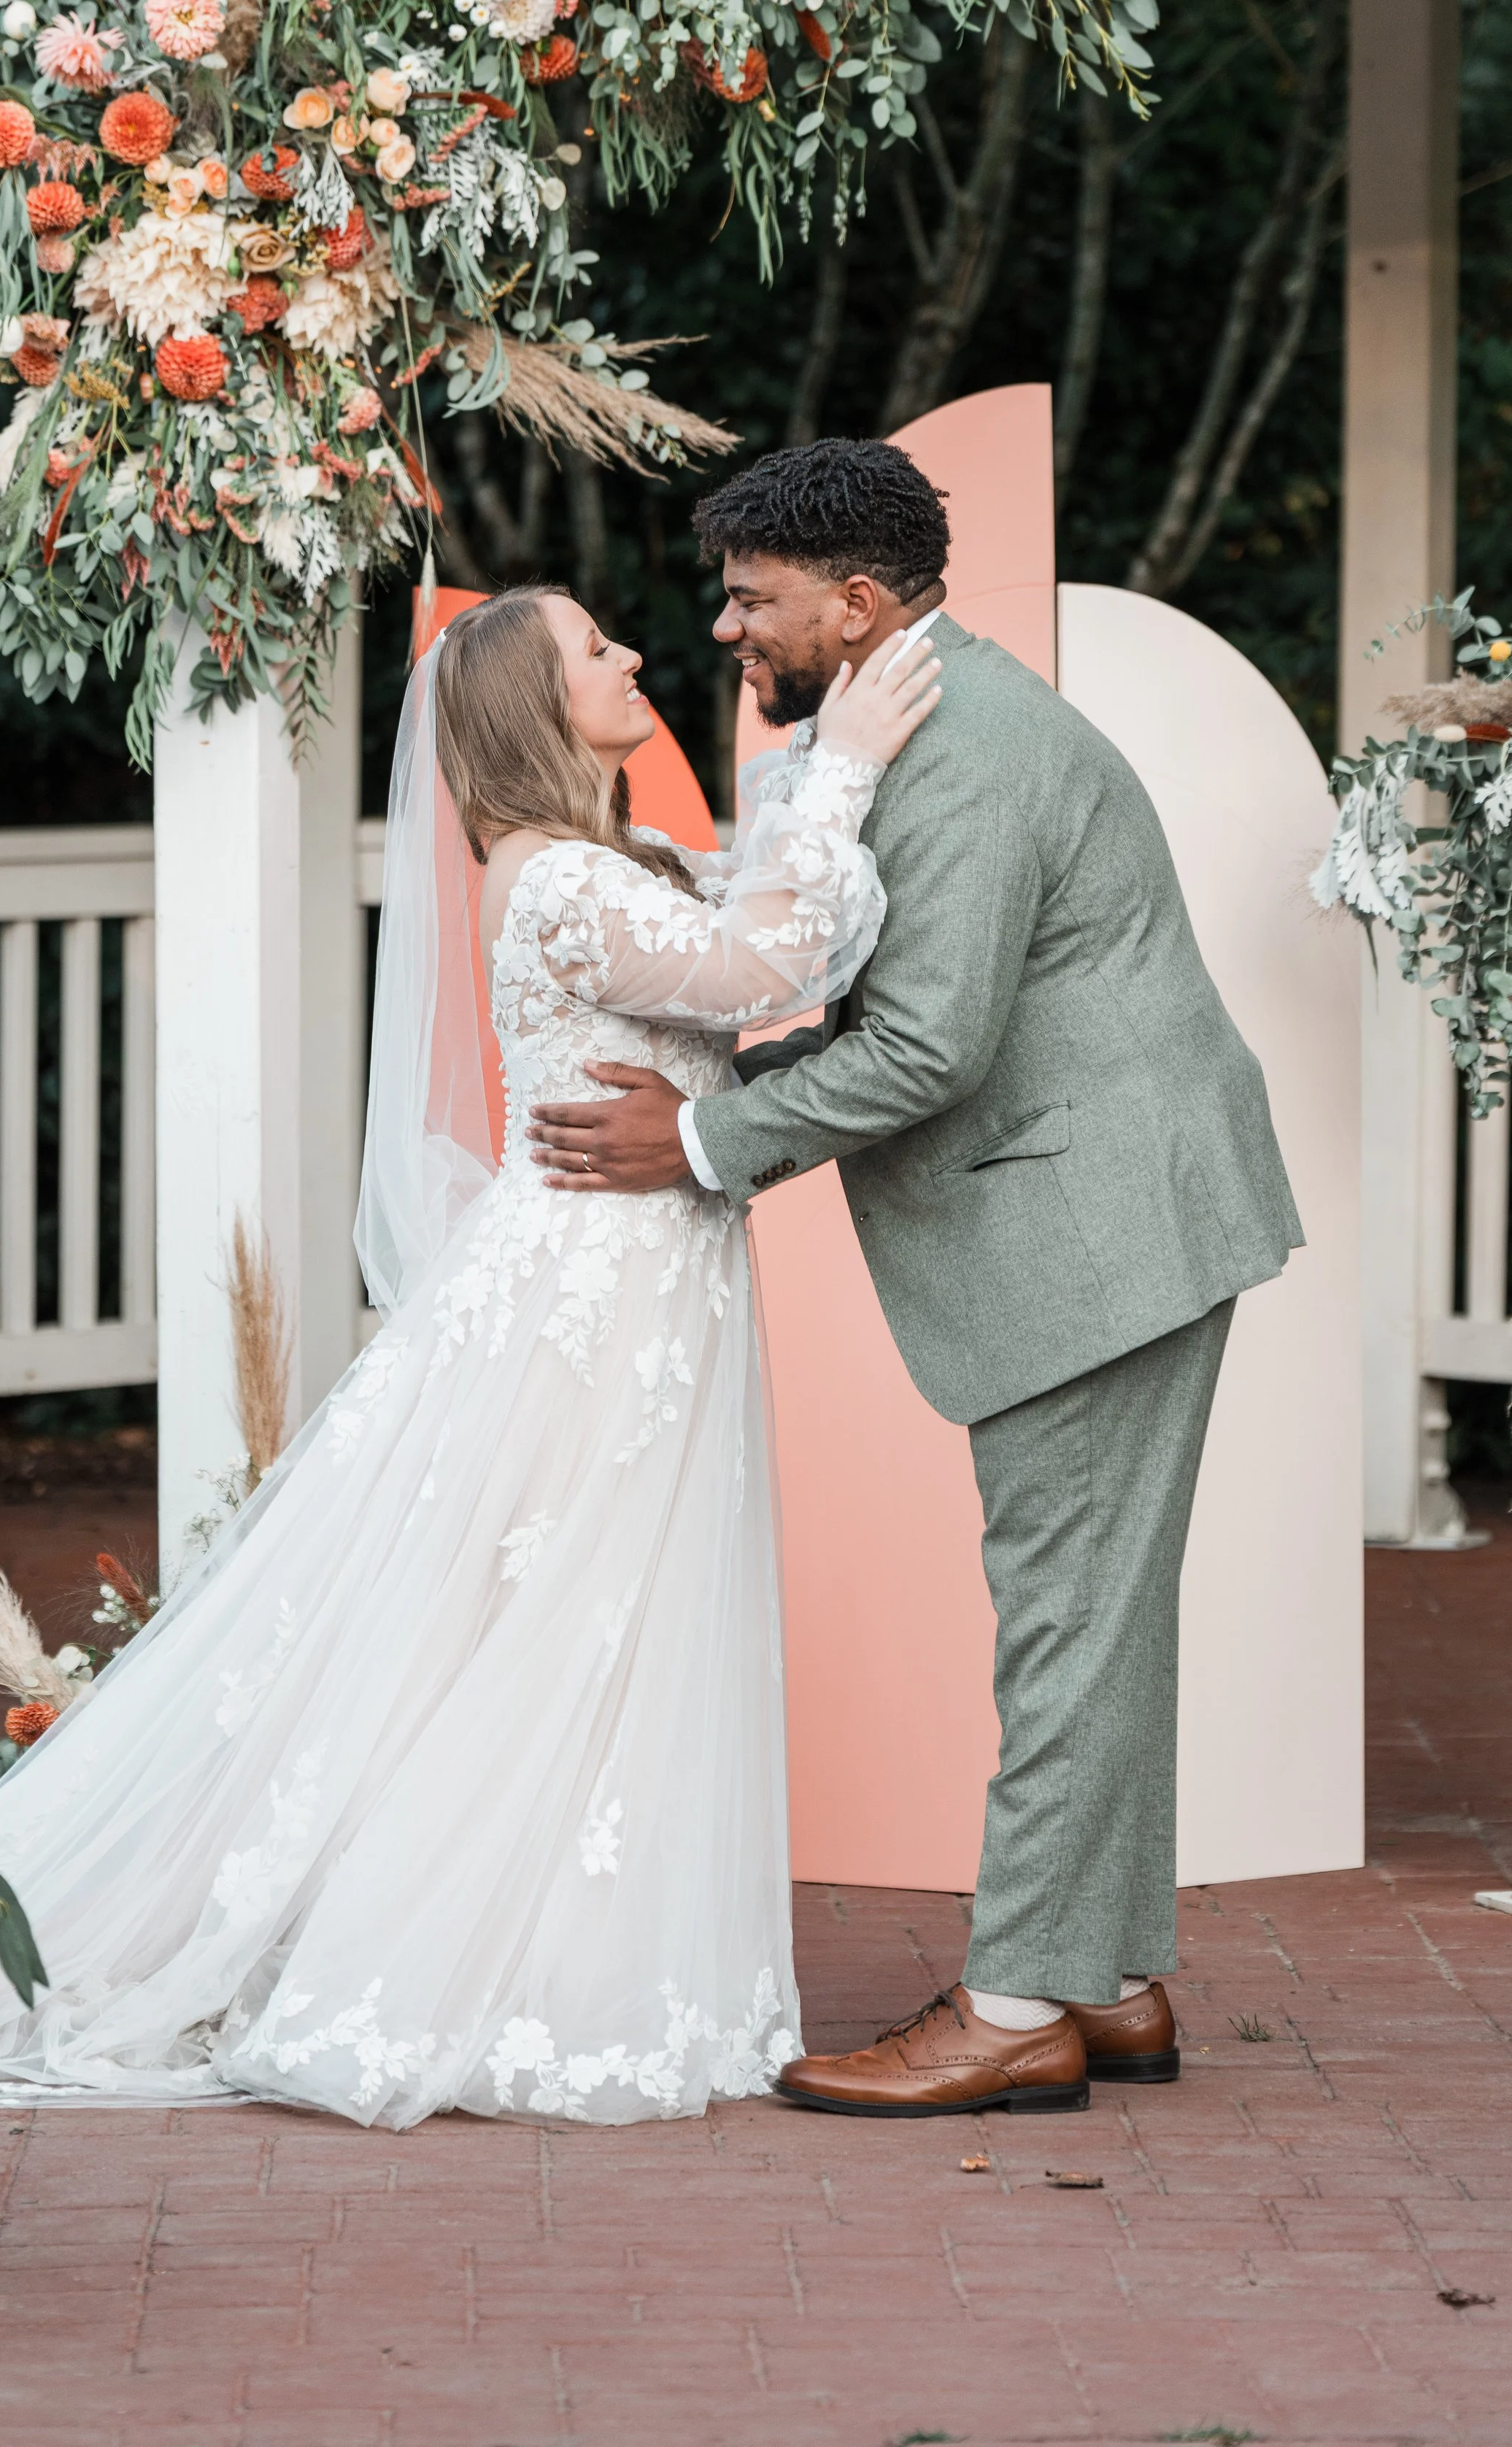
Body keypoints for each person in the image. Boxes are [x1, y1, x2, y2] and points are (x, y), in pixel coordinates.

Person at [0, 582, 941, 2130]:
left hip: (644, 1282)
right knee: (559, 1614)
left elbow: (762, 919)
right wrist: (842, 762)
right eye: (596, 648)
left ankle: (552, 1950)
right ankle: (473, 1966)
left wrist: (809, 775)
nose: (635, 656)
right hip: (594, 1295)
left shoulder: (599, 864)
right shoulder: (557, 884)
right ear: (530, 702)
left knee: (588, 1617)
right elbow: (764, 967)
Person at [529, 439, 1303, 2119]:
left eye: (752, 601)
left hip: (1098, 1223)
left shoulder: (960, 753)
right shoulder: (921, 723)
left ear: (857, 602)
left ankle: (1018, 1999)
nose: (726, 631)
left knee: (1066, 1623)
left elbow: (931, 1048)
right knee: (1092, 1616)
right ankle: (1099, 1978)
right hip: (1112, 1206)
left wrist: (706, 1143)